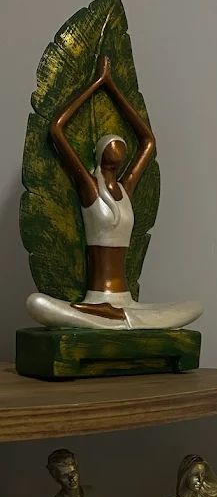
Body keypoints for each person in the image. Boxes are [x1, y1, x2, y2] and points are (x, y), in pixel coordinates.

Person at [26, 53, 203, 331]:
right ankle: (111, 319)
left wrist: (114, 88)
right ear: (100, 154)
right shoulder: (90, 188)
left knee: (194, 307)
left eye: (120, 149)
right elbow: (57, 129)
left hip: (126, 301)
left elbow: (148, 141)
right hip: (96, 300)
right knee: (37, 303)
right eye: (111, 148)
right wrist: (97, 84)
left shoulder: (125, 189)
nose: (117, 152)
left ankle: (119, 319)